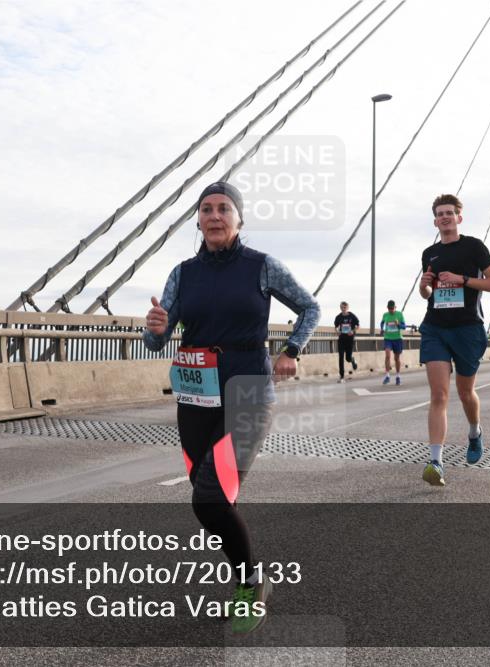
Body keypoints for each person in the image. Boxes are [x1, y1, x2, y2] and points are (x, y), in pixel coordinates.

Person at [143, 181, 319, 634]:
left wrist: (291, 350)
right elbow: (158, 337)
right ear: (197, 221)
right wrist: (157, 328)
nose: (215, 216)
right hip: (196, 393)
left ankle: (252, 581)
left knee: (209, 497)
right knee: (210, 499)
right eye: (206, 210)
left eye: (224, 209)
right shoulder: (183, 273)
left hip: (248, 390)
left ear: (238, 219)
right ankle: (248, 579)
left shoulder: (261, 266)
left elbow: (310, 307)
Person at [418, 193, 490, 486]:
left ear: (458, 218)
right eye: (439, 213)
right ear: (435, 220)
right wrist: (424, 286)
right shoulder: (430, 253)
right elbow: (427, 295)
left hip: (467, 328)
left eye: (449, 213)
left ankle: (475, 431)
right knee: (439, 395)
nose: (444, 217)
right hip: (435, 328)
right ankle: (435, 462)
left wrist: (462, 279)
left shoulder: (474, 247)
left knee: (466, 392)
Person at [381, 300, 406, 385]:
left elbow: (404, 327)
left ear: (395, 307)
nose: (391, 310)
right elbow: (382, 323)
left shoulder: (399, 314)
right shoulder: (385, 315)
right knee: (387, 355)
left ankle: (398, 376)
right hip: (388, 338)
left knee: (396, 358)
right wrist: (382, 329)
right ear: (387, 308)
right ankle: (387, 375)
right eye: (389, 308)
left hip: (397, 339)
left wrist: (398, 324)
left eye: (392, 308)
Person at [334, 302, 360, 383]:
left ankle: (352, 360)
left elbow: (358, 326)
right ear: (340, 308)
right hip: (341, 339)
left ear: (347, 308)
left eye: (345, 307)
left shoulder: (352, 316)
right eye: (342, 307)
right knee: (341, 357)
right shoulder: (338, 317)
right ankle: (341, 376)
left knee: (348, 358)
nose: (343, 309)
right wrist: (337, 331)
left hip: (349, 339)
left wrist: (353, 331)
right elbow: (336, 327)